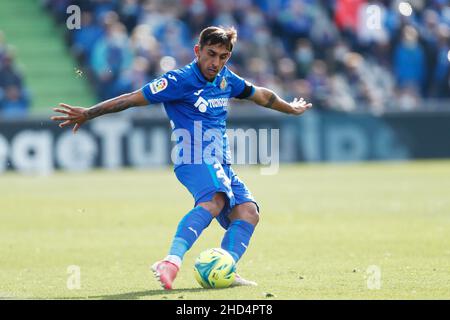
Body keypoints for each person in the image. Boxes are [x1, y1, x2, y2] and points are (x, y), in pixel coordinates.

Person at [51, 26, 312, 290]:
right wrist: (88, 113)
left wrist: (290, 107)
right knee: (215, 200)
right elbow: (132, 99)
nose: (216, 62)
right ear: (198, 51)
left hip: (219, 161)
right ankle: (171, 261)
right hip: (193, 155)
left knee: (248, 212)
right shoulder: (178, 81)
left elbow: (262, 95)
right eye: (211, 54)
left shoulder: (226, 79)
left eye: (223, 57)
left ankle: (225, 268)